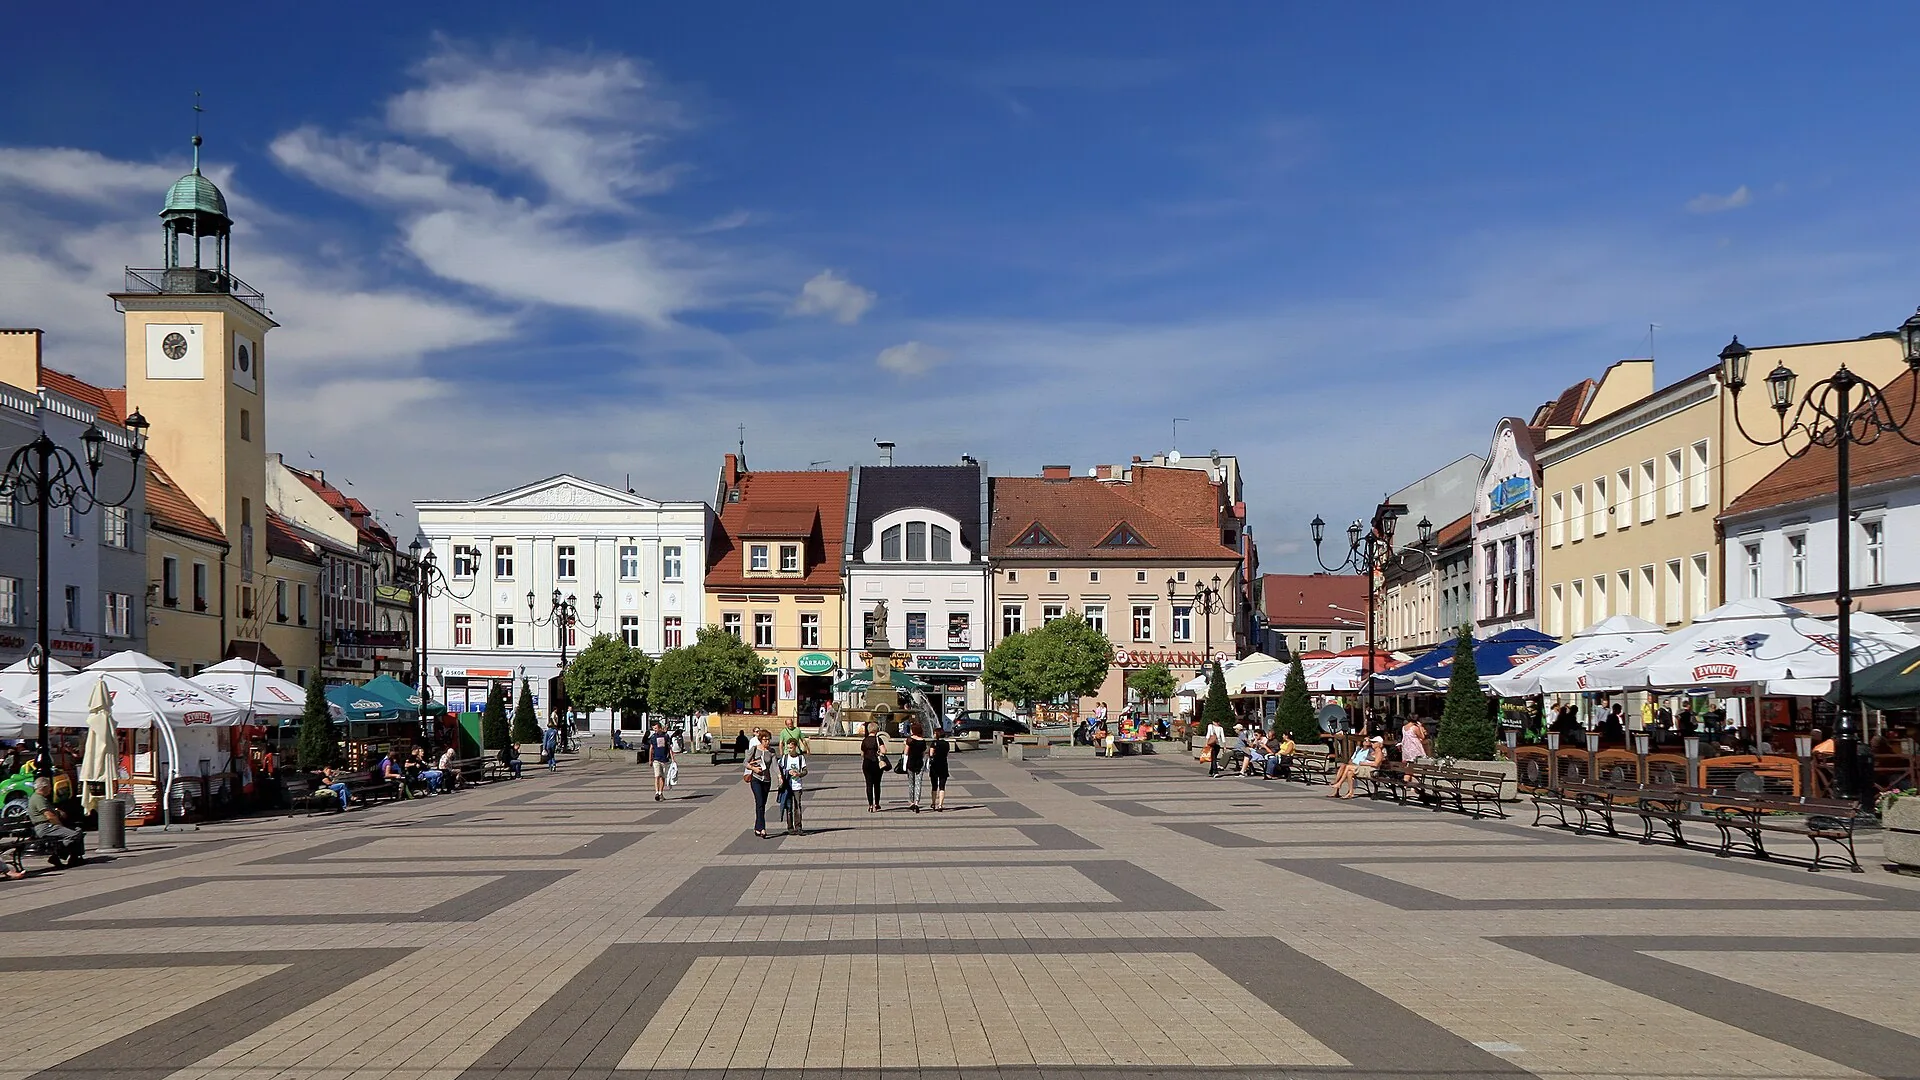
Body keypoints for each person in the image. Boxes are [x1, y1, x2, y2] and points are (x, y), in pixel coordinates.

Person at [26, 776, 82, 865]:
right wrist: (60, 825)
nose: (51, 789)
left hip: (47, 825)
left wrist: (57, 811)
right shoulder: (38, 799)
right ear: (44, 787)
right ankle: (57, 855)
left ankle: (74, 858)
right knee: (73, 834)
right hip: (45, 827)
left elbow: (50, 811)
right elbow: (49, 816)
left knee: (78, 830)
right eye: (49, 786)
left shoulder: (40, 798)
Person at [745, 728, 775, 839]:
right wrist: (753, 768)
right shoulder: (754, 749)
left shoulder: (771, 751)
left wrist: (780, 776)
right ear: (760, 740)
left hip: (767, 780)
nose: (767, 742)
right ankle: (762, 828)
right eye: (765, 740)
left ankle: (757, 827)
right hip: (756, 779)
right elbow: (745, 762)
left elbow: (775, 765)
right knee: (760, 802)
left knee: (762, 805)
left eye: (768, 740)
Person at [779, 740, 808, 836]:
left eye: (791, 748)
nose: (789, 750)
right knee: (788, 807)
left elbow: (805, 771)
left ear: (795, 747)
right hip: (788, 785)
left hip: (797, 785)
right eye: (787, 748)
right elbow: (779, 769)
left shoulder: (800, 758)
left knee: (797, 806)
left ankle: (798, 827)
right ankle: (790, 827)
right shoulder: (785, 758)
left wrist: (798, 774)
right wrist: (784, 774)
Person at [903, 720, 928, 812]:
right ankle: (917, 802)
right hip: (919, 763)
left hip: (911, 763)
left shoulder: (909, 740)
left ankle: (911, 802)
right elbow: (923, 753)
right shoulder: (923, 741)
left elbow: (906, 752)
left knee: (911, 783)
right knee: (918, 783)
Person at [860, 721, 885, 812]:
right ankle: (877, 804)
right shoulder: (878, 739)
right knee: (877, 784)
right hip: (876, 764)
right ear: (876, 730)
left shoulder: (865, 740)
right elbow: (884, 751)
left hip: (866, 764)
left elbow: (862, 754)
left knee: (869, 784)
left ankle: (870, 805)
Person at [647, 721, 674, 802]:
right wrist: (650, 759)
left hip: (664, 760)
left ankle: (660, 792)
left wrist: (672, 758)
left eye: (656, 728)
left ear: (660, 728)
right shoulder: (653, 737)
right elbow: (651, 748)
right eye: (653, 729)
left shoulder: (666, 736)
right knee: (657, 776)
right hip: (656, 759)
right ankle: (656, 792)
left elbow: (669, 747)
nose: (655, 730)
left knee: (662, 777)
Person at [929, 728, 951, 812]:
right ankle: (940, 804)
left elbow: (931, 754)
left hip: (934, 766)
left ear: (937, 734)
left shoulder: (934, 743)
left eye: (934, 733)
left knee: (934, 786)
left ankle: (933, 803)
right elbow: (947, 754)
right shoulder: (946, 743)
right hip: (944, 765)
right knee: (942, 786)